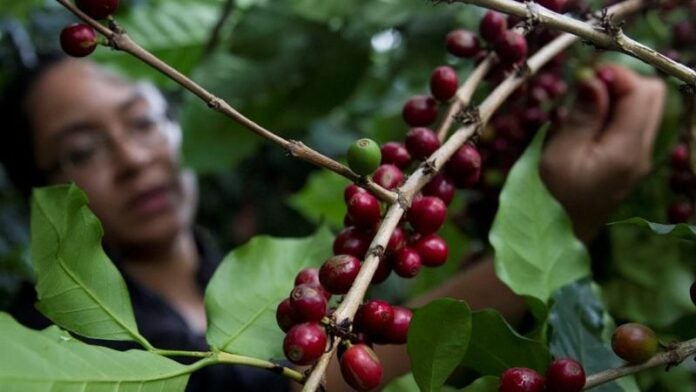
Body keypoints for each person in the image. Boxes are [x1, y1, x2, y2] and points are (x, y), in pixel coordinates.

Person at [0, 54, 665, 391]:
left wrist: (562, 209)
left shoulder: (280, 284)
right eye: (83, 148)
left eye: (142, 120)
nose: (133, 158)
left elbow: (362, 353)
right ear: (38, 190)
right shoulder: (47, 339)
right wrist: (564, 216)